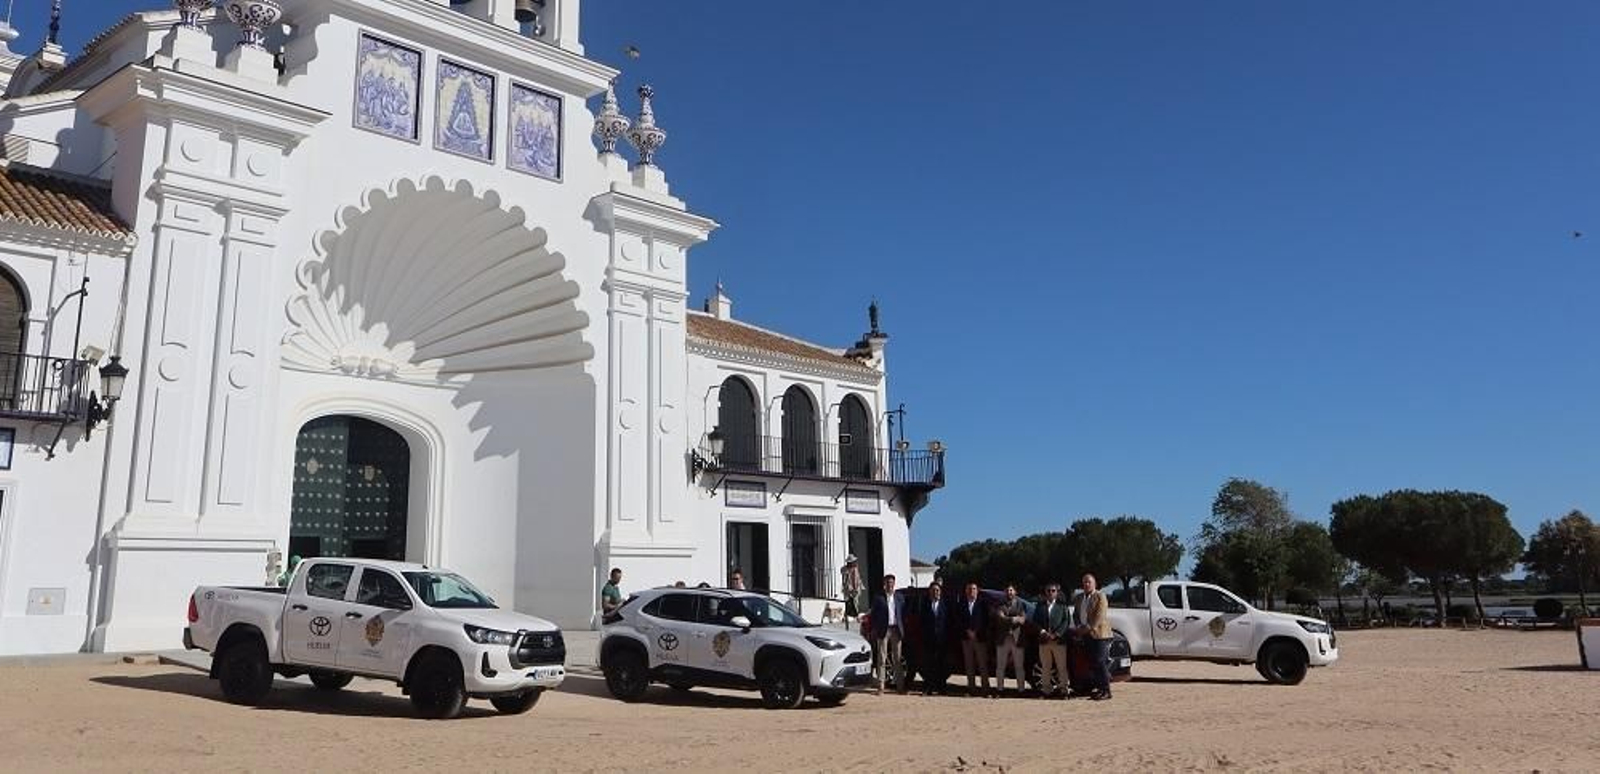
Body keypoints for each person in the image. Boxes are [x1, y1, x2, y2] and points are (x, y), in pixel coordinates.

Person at [1074, 573, 1113, 700]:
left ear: (1094, 584)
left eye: (1089, 582)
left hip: (1099, 635)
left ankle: (1106, 690)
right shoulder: (1079, 598)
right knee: (1092, 663)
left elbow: (1100, 616)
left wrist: (1088, 628)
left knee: (1100, 661)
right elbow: (1076, 614)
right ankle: (1099, 689)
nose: (1086, 584)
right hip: (1085, 635)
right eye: (1084, 582)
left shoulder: (1100, 596)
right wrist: (1079, 626)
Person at [868, 573, 905, 695]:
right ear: (884, 584)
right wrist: (874, 628)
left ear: (894, 584)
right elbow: (873, 615)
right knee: (882, 658)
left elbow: (903, 613)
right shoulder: (879, 597)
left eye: (891, 582)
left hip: (896, 629)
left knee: (897, 659)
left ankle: (900, 686)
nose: (890, 585)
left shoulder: (899, 597)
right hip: (883, 630)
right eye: (888, 582)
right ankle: (881, 686)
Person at [1033, 583, 1071, 697]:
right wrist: (1043, 632)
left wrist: (1057, 634)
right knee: (1046, 667)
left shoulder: (1062, 606)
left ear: (1057, 593)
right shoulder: (1040, 606)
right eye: (1048, 590)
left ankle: (1063, 689)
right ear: (1045, 592)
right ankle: (1046, 690)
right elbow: (1035, 622)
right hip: (1044, 640)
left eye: (1053, 590)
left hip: (1058, 641)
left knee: (1061, 666)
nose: (1050, 593)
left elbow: (1066, 621)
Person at [953, 582, 990, 696]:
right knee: (969, 665)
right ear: (966, 591)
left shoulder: (983, 604)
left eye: (973, 589)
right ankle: (971, 689)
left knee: (982, 664)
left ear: (977, 591)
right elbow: (958, 620)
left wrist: (976, 631)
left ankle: (985, 690)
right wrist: (967, 630)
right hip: (966, 638)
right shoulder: (961, 604)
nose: (971, 591)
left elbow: (986, 621)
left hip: (980, 638)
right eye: (969, 589)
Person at [991, 583, 1027, 696]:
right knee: (1000, 666)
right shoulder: (999, 604)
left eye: (1011, 590)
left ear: (1015, 592)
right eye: (1007, 591)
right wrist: (1014, 619)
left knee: (1019, 666)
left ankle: (1021, 690)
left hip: (1017, 638)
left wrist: (1011, 618)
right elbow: (1000, 618)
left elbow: (1023, 620)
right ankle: (999, 690)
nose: (1009, 592)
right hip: (1003, 638)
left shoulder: (1020, 604)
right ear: (1004, 592)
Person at [919, 581, 951, 695]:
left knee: (942, 664)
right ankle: (928, 688)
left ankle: (942, 688)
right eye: (933, 590)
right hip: (929, 639)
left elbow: (949, 621)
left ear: (940, 592)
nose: (935, 592)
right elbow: (922, 621)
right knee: (928, 664)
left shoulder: (946, 604)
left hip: (942, 639)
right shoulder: (925, 604)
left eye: (937, 590)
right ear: (929, 592)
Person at [841, 555, 864, 621]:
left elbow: (856, 580)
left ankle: (856, 616)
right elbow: (845, 580)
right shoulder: (845, 569)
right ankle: (848, 615)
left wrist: (855, 589)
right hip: (848, 589)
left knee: (855, 602)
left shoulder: (855, 569)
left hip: (854, 588)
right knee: (848, 602)